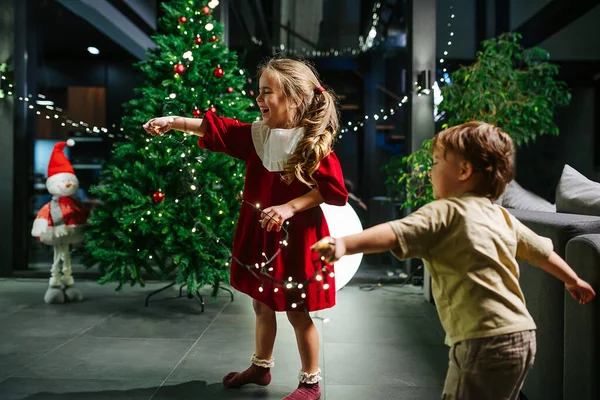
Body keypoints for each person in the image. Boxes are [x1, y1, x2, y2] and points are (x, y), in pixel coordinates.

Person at [311, 121, 596, 400]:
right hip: (522, 335)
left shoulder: (445, 211)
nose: (430, 171)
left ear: (464, 170)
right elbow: (543, 253)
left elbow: (394, 232)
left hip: (481, 339)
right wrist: (573, 279)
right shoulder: (502, 216)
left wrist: (344, 244)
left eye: (436, 163)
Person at [144, 58, 348, 400]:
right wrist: (172, 121)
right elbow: (215, 129)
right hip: (261, 235)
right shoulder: (258, 135)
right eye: (259, 91)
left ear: (295, 99)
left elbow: (333, 191)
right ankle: (261, 366)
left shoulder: (313, 142)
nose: (258, 98)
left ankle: (310, 383)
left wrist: (289, 207)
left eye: (267, 92)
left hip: (296, 241)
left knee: (298, 311)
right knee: (261, 303)